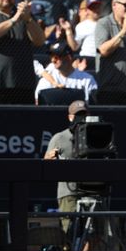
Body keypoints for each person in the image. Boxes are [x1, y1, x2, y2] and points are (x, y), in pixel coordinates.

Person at [43, 100, 91, 234]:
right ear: (70, 116)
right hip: (68, 193)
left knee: (93, 234)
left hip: (92, 192)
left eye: (84, 114)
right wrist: (50, 158)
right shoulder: (60, 138)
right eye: (77, 115)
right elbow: (46, 163)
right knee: (69, 231)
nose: (81, 118)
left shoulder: (97, 135)